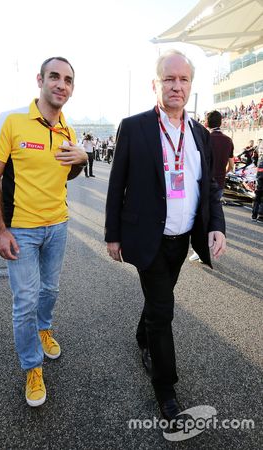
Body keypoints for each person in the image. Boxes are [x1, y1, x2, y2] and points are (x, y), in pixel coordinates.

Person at [105, 50, 226, 424]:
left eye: (183, 80)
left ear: (190, 85)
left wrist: (216, 225)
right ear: (155, 84)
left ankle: (143, 335)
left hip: (182, 239)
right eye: (169, 79)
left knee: (160, 301)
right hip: (147, 238)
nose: (177, 86)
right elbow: (117, 183)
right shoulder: (135, 126)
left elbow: (209, 188)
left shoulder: (200, 134)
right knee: (163, 310)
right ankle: (166, 390)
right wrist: (113, 234)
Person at [0, 56, 87, 407]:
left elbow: (66, 175)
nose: (61, 84)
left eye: (68, 80)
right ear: (39, 80)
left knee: (50, 289)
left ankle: (44, 329)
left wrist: (81, 161)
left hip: (58, 225)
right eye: (54, 77)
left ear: (72, 89)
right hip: (21, 231)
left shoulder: (68, 131)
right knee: (24, 301)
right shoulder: (11, 120)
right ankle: (32, 366)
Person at [189, 110, 234, 262]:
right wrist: (222, 173)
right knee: (212, 215)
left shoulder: (202, 136)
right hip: (219, 182)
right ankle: (208, 247)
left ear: (206, 122)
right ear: (221, 122)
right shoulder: (228, 140)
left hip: (202, 183)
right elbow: (231, 165)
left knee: (199, 215)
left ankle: (198, 249)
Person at [252, 140, 263, 222]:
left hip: (260, 171)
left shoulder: (260, 144)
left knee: (258, 194)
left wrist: (257, 164)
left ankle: (254, 214)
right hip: (260, 171)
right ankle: (260, 216)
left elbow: (254, 156)